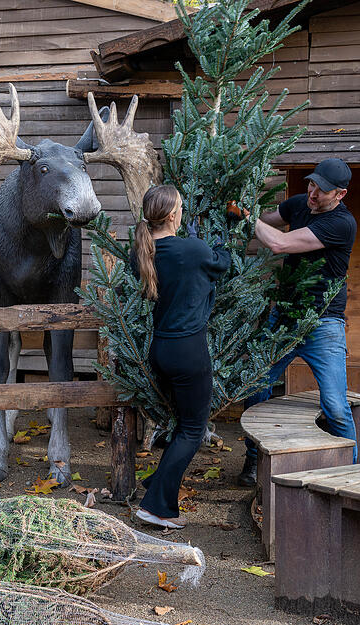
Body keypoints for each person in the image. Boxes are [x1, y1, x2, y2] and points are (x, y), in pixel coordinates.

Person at [238, 158, 358, 487]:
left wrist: (248, 218)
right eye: (311, 184)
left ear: (341, 194)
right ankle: (253, 459)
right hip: (285, 316)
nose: (313, 192)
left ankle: (351, 476)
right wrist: (238, 207)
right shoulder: (300, 203)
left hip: (322, 323)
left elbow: (279, 242)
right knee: (257, 385)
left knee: (335, 406)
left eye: (322, 189)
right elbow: (268, 220)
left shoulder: (342, 224)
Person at [132, 185, 231, 529]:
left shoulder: (142, 252)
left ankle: (156, 483)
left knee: (183, 425)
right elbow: (221, 263)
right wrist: (224, 232)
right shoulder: (193, 249)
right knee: (192, 428)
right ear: (173, 215)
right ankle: (156, 507)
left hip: (160, 349)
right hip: (190, 351)